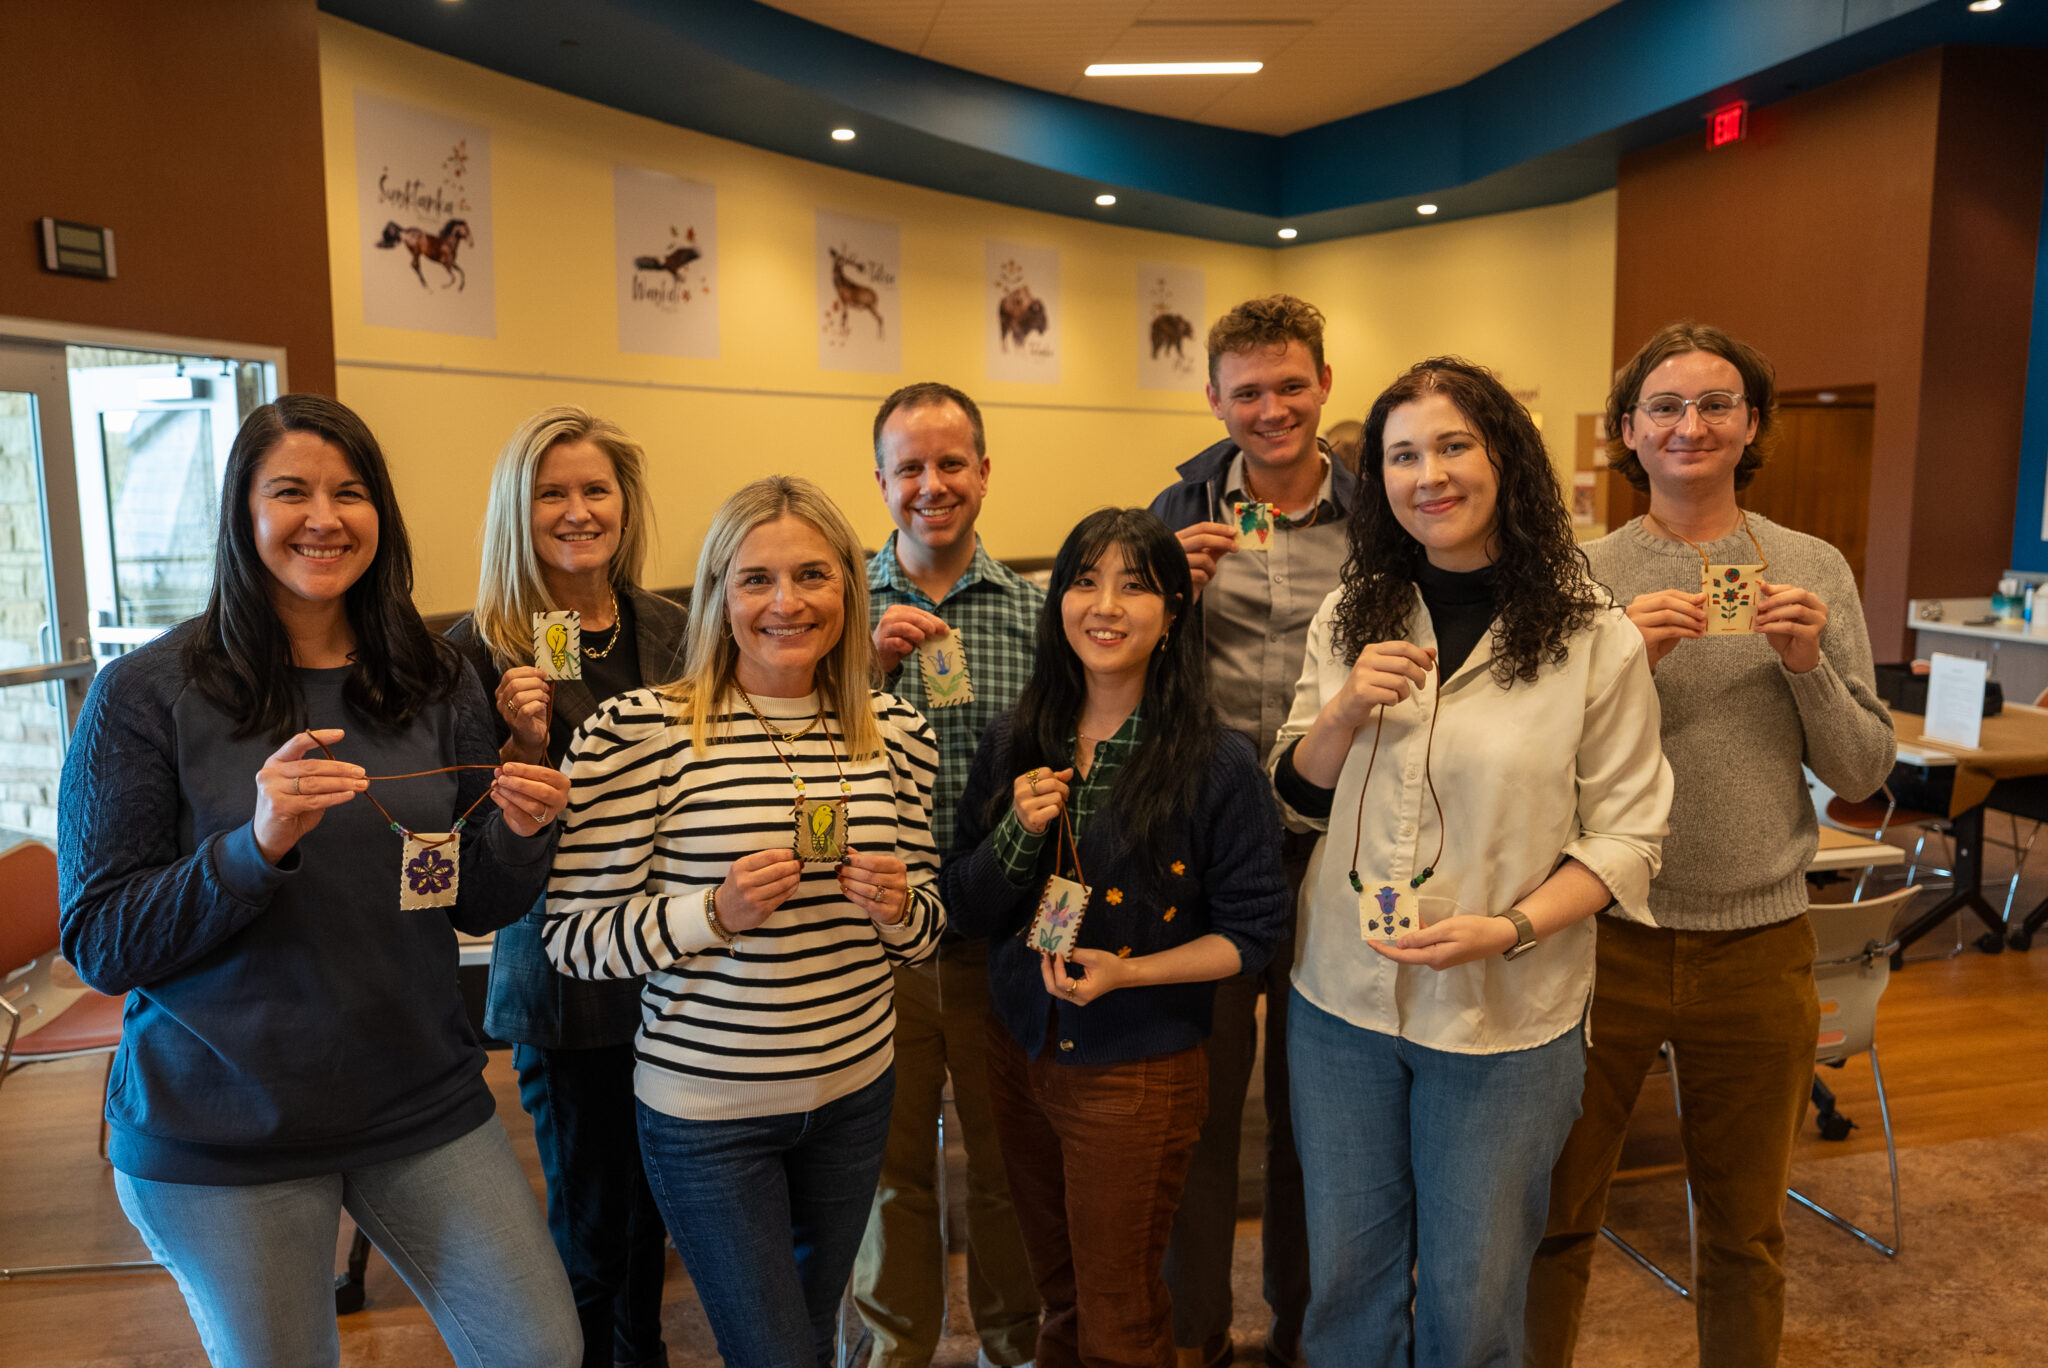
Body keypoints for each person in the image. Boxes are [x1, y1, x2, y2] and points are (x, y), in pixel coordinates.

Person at [57, 394, 579, 1368]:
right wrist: (252, 846)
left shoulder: (435, 675)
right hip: (221, 1130)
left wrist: (518, 832)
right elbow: (100, 942)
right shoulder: (147, 693)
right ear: (242, 512)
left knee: (540, 1350)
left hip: (420, 1101)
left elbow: (480, 900)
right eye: (290, 491)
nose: (324, 518)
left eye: (351, 493)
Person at [1269, 358, 1672, 1368]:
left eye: (1452, 445)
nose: (1427, 475)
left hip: (1504, 1017)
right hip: (1340, 1004)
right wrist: (1346, 705)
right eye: (1401, 455)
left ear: (1504, 460)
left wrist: (1509, 927)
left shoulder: (1594, 635)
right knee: (1346, 1292)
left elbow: (1626, 836)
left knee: (1472, 1299)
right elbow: (1295, 792)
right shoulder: (1348, 614)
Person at [1524, 323, 1896, 1368]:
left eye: (1715, 404)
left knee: (1744, 1229)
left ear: (1750, 427)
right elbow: (1527, 770)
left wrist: (1804, 663)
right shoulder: (1575, 573)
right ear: (1628, 434)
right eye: (1664, 408)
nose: (1689, 424)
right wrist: (1617, 668)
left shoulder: (1809, 566)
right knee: (1554, 1218)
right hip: (1600, 937)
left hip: (1761, 938)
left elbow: (1864, 773)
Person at [541, 475, 945, 1368]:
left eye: (812, 575)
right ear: (718, 594)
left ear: (850, 585)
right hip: (707, 1112)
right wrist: (709, 913)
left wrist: (898, 908)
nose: (786, 603)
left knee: (807, 1334)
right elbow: (572, 939)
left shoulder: (899, 730)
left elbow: (926, 933)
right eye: (756, 579)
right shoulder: (636, 732)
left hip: (854, 1093)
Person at [945, 506, 1291, 1368]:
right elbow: (964, 904)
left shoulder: (1218, 762)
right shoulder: (1015, 738)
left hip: (1135, 1068)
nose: (1105, 605)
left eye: (1135, 586)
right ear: (1057, 602)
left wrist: (1128, 974)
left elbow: (1252, 936)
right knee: (1056, 1294)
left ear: (1173, 613)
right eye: (1085, 581)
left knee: (1120, 1309)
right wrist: (1017, 835)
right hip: (1018, 1052)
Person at [445, 406, 687, 1368]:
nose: (579, 511)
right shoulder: (477, 647)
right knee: (593, 1232)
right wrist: (521, 749)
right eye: (554, 493)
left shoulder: (671, 626)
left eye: (597, 490)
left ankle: (645, 1355)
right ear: (520, 507)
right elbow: (462, 830)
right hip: (564, 978)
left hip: (677, 966)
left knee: (655, 1219)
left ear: (625, 505)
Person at [1146, 294, 1355, 1368]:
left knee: (1316, 1116)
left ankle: (1308, 1331)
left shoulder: (1382, 514)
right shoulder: (1172, 509)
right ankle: (1194, 1338)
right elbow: (1114, 671)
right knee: (1200, 1110)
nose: (1270, 409)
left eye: (1289, 385)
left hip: (1341, 845)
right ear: (1214, 398)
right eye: (1246, 392)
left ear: (1323, 383)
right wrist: (1161, 599)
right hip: (1212, 850)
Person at [855, 382, 1044, 1368]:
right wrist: (866, 679)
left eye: (951, 464)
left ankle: (1016, 1350)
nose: (932, 486)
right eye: (909, 468)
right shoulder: (828, 606)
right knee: (887, 1179)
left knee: (1010, 1167)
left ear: (982, 470)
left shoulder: (1034, 615)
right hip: (868, 948)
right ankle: (890, 1355)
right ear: (879, 480)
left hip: (998, 945)